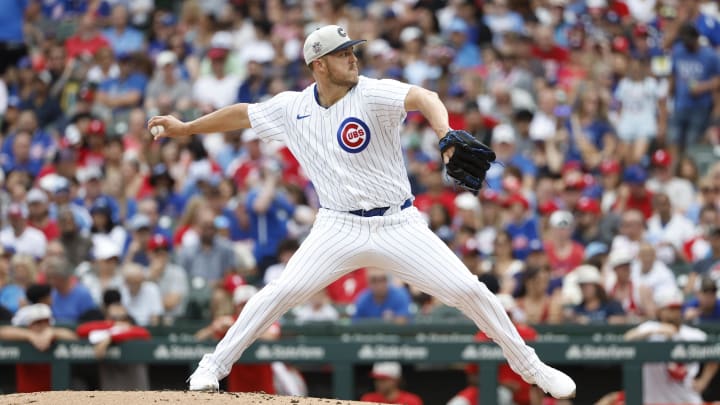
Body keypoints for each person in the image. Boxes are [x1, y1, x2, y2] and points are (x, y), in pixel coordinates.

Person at [149, 24, 576, 399]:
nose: (353, 58)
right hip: (337, 226)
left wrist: (445, 133)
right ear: (318, 64)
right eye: (342, 53)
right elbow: (243, 114)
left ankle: (531, 367)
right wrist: (186, 127)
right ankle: (212, 367)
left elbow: (424, 96)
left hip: (397, 223)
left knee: (471, 291)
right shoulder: (292, 107)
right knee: (277, 294)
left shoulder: (373, 93)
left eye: (353, 50)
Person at [624, 288, 719, 404]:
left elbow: (715, 353)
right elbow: (627, 339)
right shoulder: (649, 328)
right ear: (660, 311)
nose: (675, 313)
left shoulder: (694, 335)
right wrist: (657, 330)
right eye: (670, 309)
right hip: (654, 401)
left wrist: (703, 381)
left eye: (678, 308)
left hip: (686, 399)